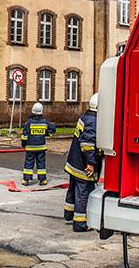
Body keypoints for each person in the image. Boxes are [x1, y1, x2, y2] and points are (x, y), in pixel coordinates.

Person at [64, 93, 100, 232]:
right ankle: (80, 224)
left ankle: (69, 214)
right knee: (83, 193)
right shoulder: (93, 120)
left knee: (73, 189)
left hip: (74, 162)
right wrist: (91, 163)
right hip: (83, 165)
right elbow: (87, 144)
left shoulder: (85, 116)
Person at [21, 103, 56, 186]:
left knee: (28, 164)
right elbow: (53, 129)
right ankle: (42, 180)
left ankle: (26, 180)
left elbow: (24, 136)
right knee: (41, 164)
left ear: (32, 111)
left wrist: (23, 144)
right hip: (41, 148)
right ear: (41, 111)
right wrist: (47, 133)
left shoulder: (29, 122)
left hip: (30, 148)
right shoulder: (45, 122)